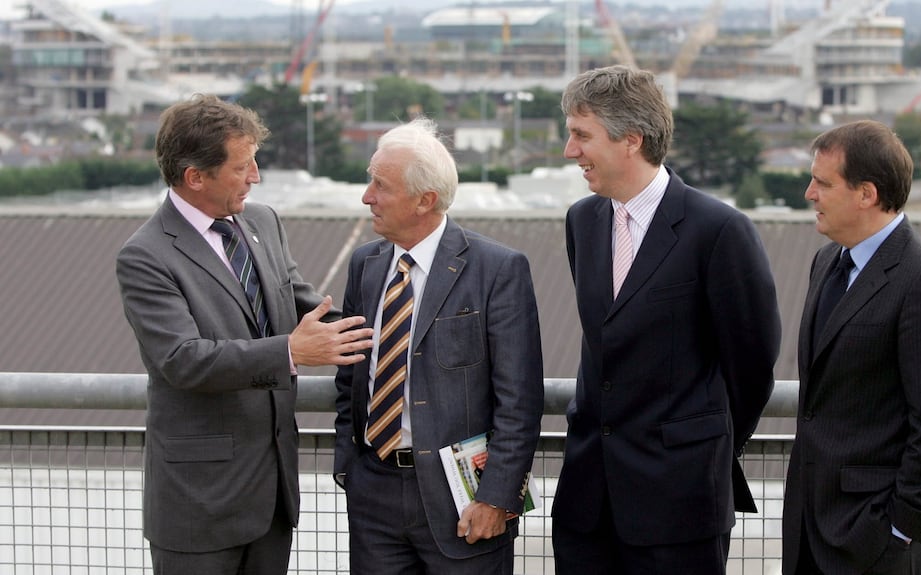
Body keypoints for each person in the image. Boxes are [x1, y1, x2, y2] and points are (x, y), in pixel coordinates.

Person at [115, 94, 374, 575]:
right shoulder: (145, 256)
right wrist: (289, 352)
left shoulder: (262, 221)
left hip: (271, 498)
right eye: (242, 166)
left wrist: (396, 336)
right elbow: (183, 360)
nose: (255, 176)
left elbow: (306, 307)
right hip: (199, 507)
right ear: (195, 177)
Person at [551, 64, 782, 575]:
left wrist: (696, 446)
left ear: (631, 140)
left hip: (681, 506)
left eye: (582, 135)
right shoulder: (582, 222)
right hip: (587, 503)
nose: (570, 151)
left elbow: (751, 366)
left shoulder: (719, 230)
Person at [332, 116, 544, 575]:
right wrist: (349, 467)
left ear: (425, 200)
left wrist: (497, 496)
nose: (367, 196)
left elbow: (520, 400)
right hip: (373, 496)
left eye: (380, 185)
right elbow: (350, 376)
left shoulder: (497, 269)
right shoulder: (365, 265)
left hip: (465, 503)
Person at [782, 120, 921, 575]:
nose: (810, 194)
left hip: (876, 543)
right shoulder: (826, 261)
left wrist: (899, 529)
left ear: (866, 194)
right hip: (809, 532)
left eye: (823, 183)